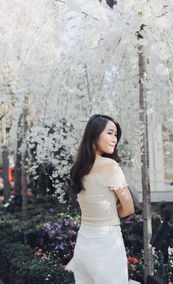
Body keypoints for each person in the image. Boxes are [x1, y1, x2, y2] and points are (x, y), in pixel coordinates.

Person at [65, 114, 135, 284]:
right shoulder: (110, 166)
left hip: (84, 241)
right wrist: (110, 213)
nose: (114, 139)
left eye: (116, 135)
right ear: (94, 135)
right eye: (109, 133)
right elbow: (129, 209)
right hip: (106, 242)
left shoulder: (78, 168)